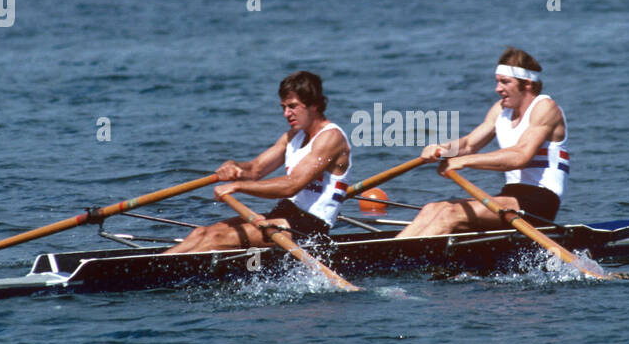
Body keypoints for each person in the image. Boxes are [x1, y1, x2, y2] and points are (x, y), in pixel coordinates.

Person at [165, 71, 352, 253]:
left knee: (216, 240)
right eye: (283, 107)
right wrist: (234, 167)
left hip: (308, 228)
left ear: (314, 105)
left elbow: (291, 186)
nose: (287, 114)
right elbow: (255, 169)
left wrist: (238, 186)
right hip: (283, 216)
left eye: (293, 106)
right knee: (202, 233)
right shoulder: (293, 136)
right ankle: (155, 264)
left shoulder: (331, 138)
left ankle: (161, 273)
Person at [395, 48, 568, 238]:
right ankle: (389, 252)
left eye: (505, 82)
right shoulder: (501, 109)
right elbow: (469, 144)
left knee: (449, 214)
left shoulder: (545, 108)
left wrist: (465, 161)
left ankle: (401, 261)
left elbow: (521, 156)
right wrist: (443, 150)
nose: (497, 88)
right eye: (497, 81)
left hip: (540, 201)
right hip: (511, 196)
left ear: (527, 84)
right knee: (433, 208)